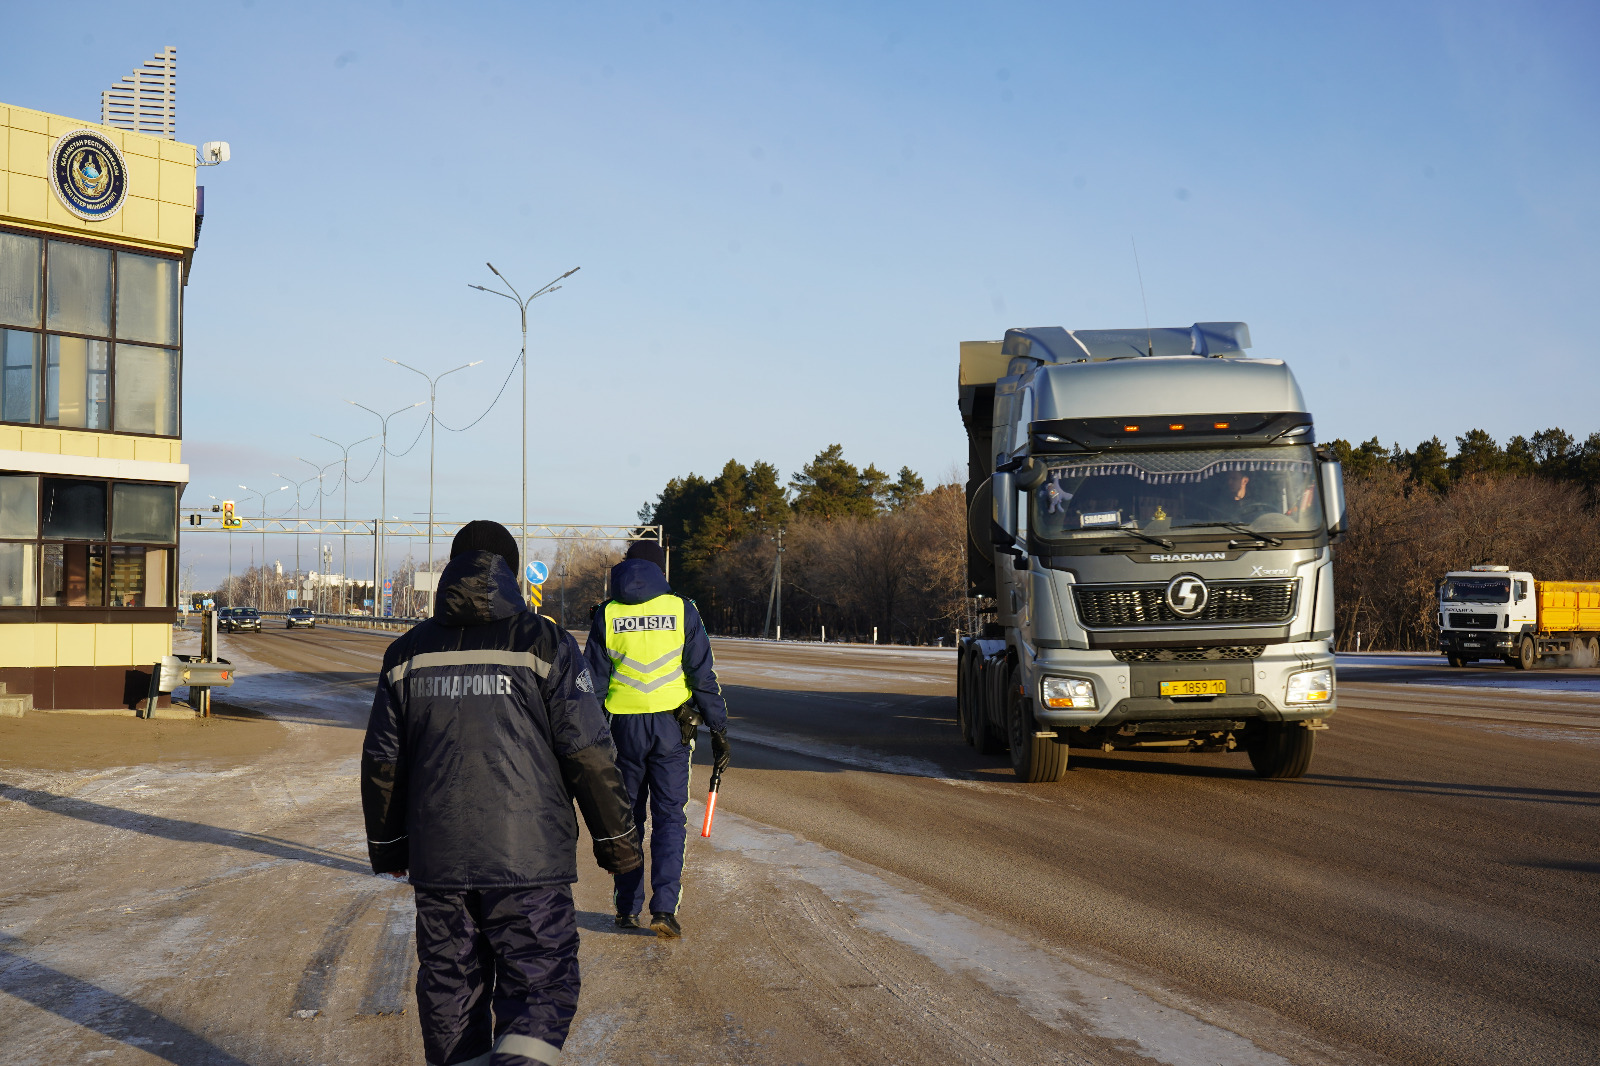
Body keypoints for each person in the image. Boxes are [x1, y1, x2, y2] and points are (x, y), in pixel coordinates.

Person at [362, 520, 641, 1066]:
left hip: (439, 862)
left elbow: (382, 762)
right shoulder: (546, 644)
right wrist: (619, 842)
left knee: (450, 993)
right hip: (528, 864)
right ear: (513, 573)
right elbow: (588, 752)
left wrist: (391, 848)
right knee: (541, 988)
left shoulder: (406, 654)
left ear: (451, 569)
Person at [585, 540, 730, 939]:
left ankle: (626, 908)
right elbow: (702, 675)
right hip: (672, 728)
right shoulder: (682, 609)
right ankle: (664, 909)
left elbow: (593, 685)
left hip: (622, 732)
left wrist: (591, 737)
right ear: (660, 570)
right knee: (670, 819)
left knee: (626, 819)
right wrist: (718, 727)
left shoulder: (608, 614)